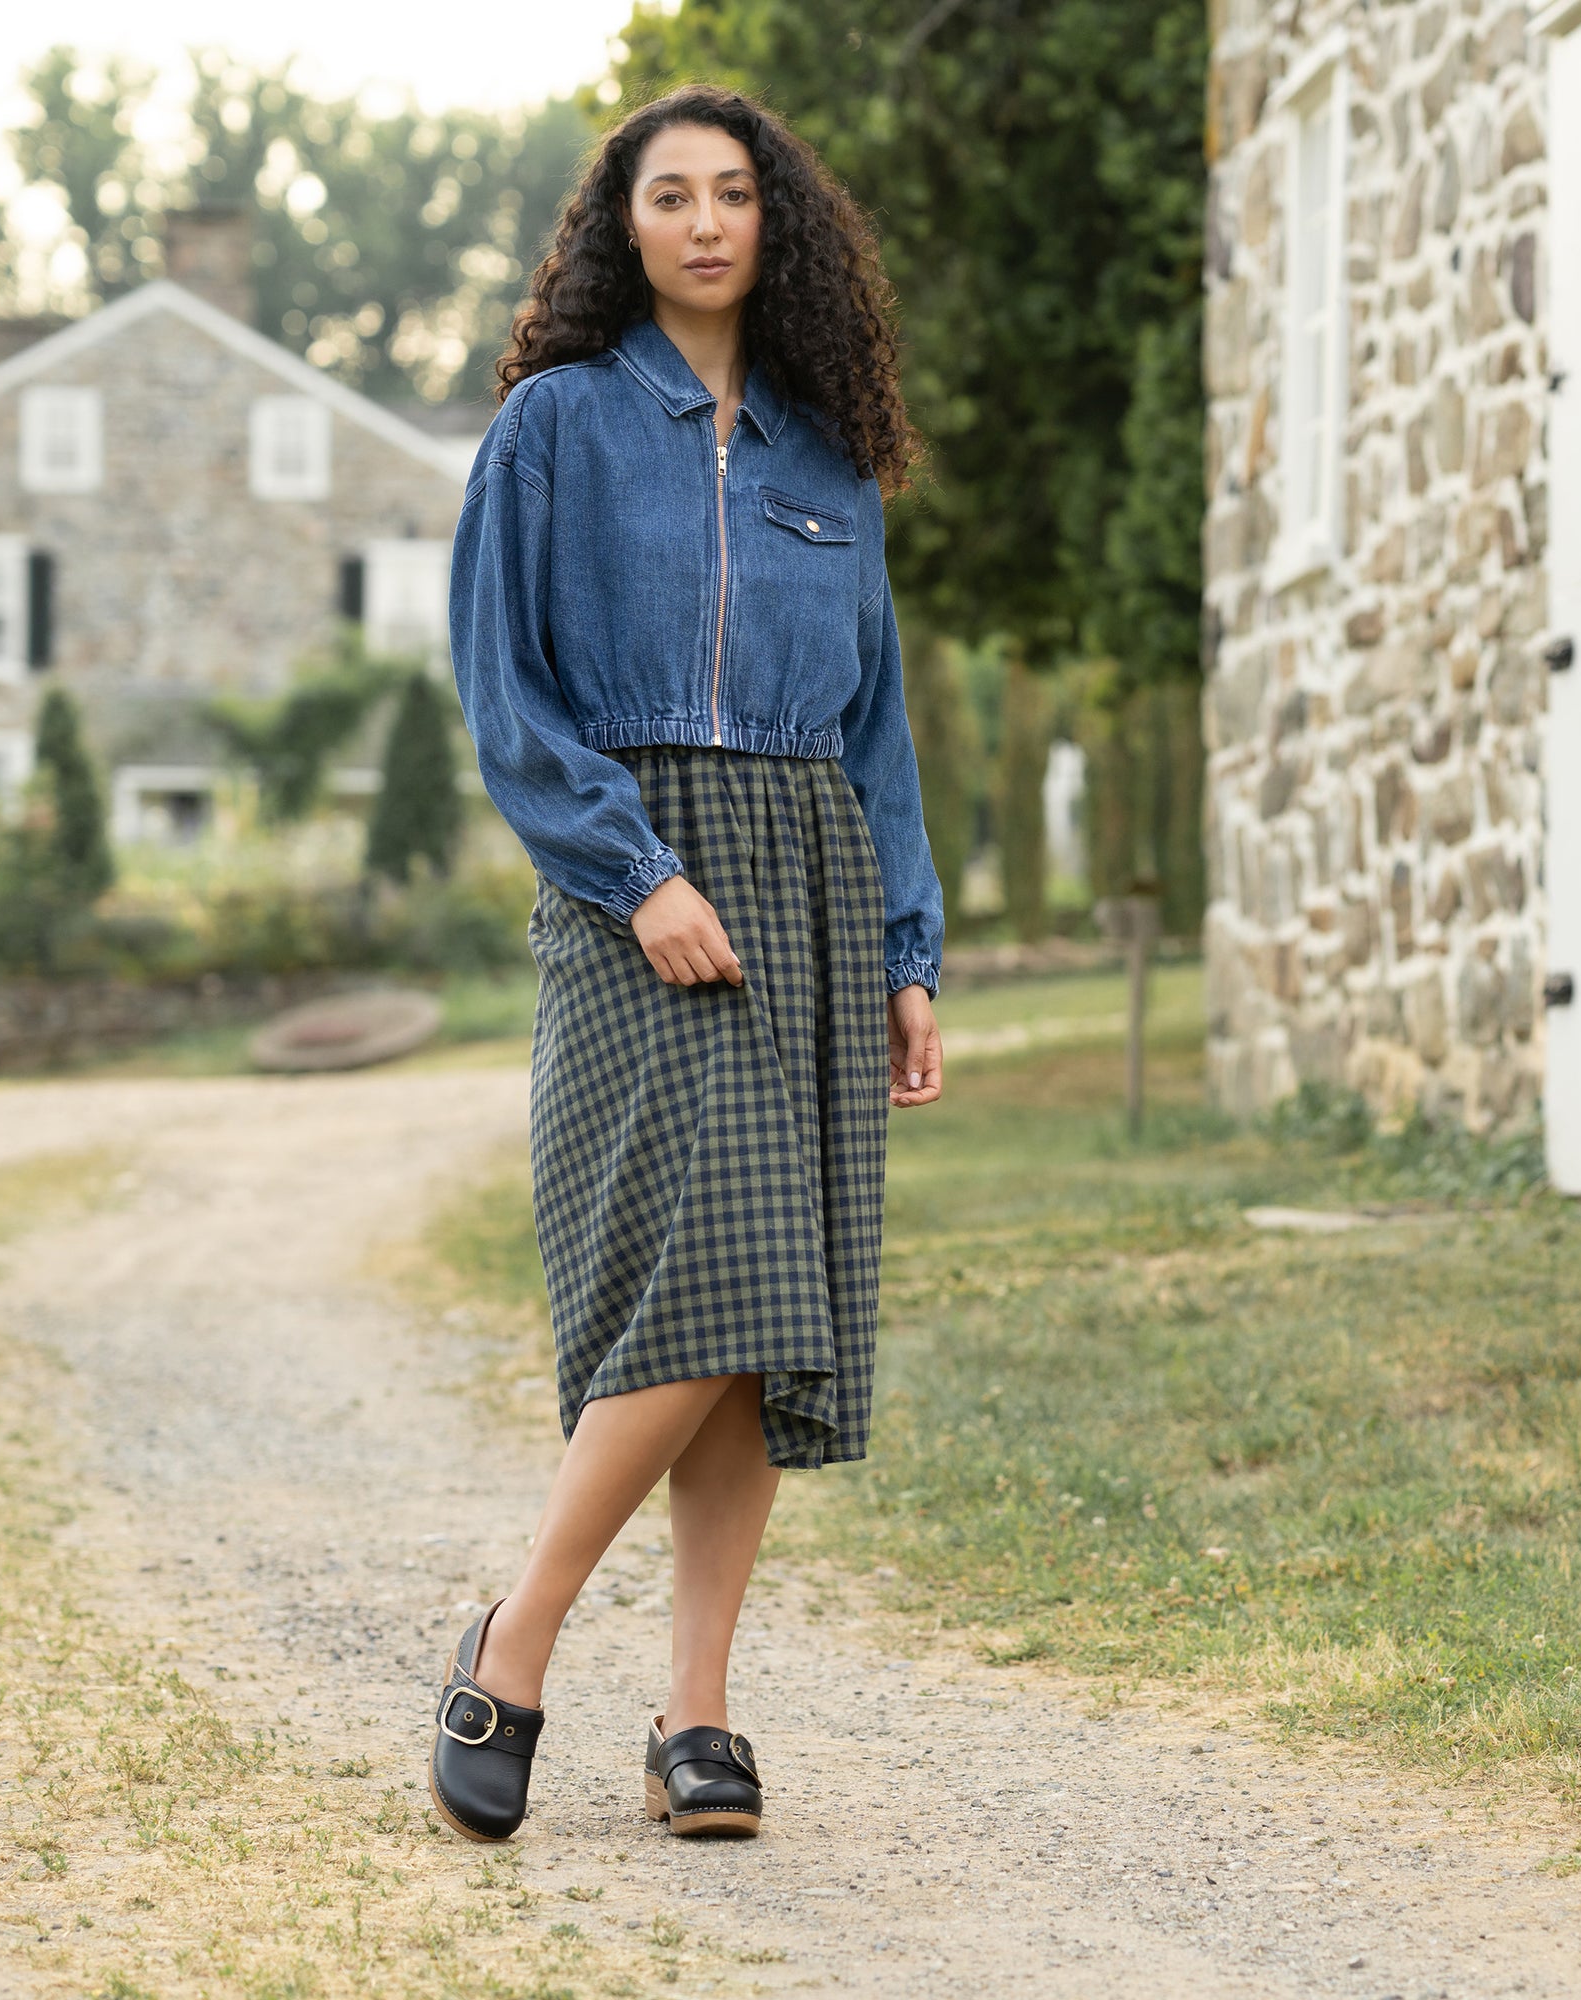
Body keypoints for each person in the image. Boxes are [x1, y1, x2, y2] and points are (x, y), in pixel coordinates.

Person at [432, 84, 944, 1845]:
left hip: (808, 882)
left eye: (737, 195)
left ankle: (698, 1722)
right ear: (623, 225)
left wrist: (905, 948)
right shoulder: (553, 430)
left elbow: (879, 735)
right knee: (705, 1274)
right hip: (630, 896)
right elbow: (509, 702)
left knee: (749, 1319)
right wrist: (635, 868)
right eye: (674, 196)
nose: (710, 223)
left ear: (772, 225)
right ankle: (523, 1633)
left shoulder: (828, 454)